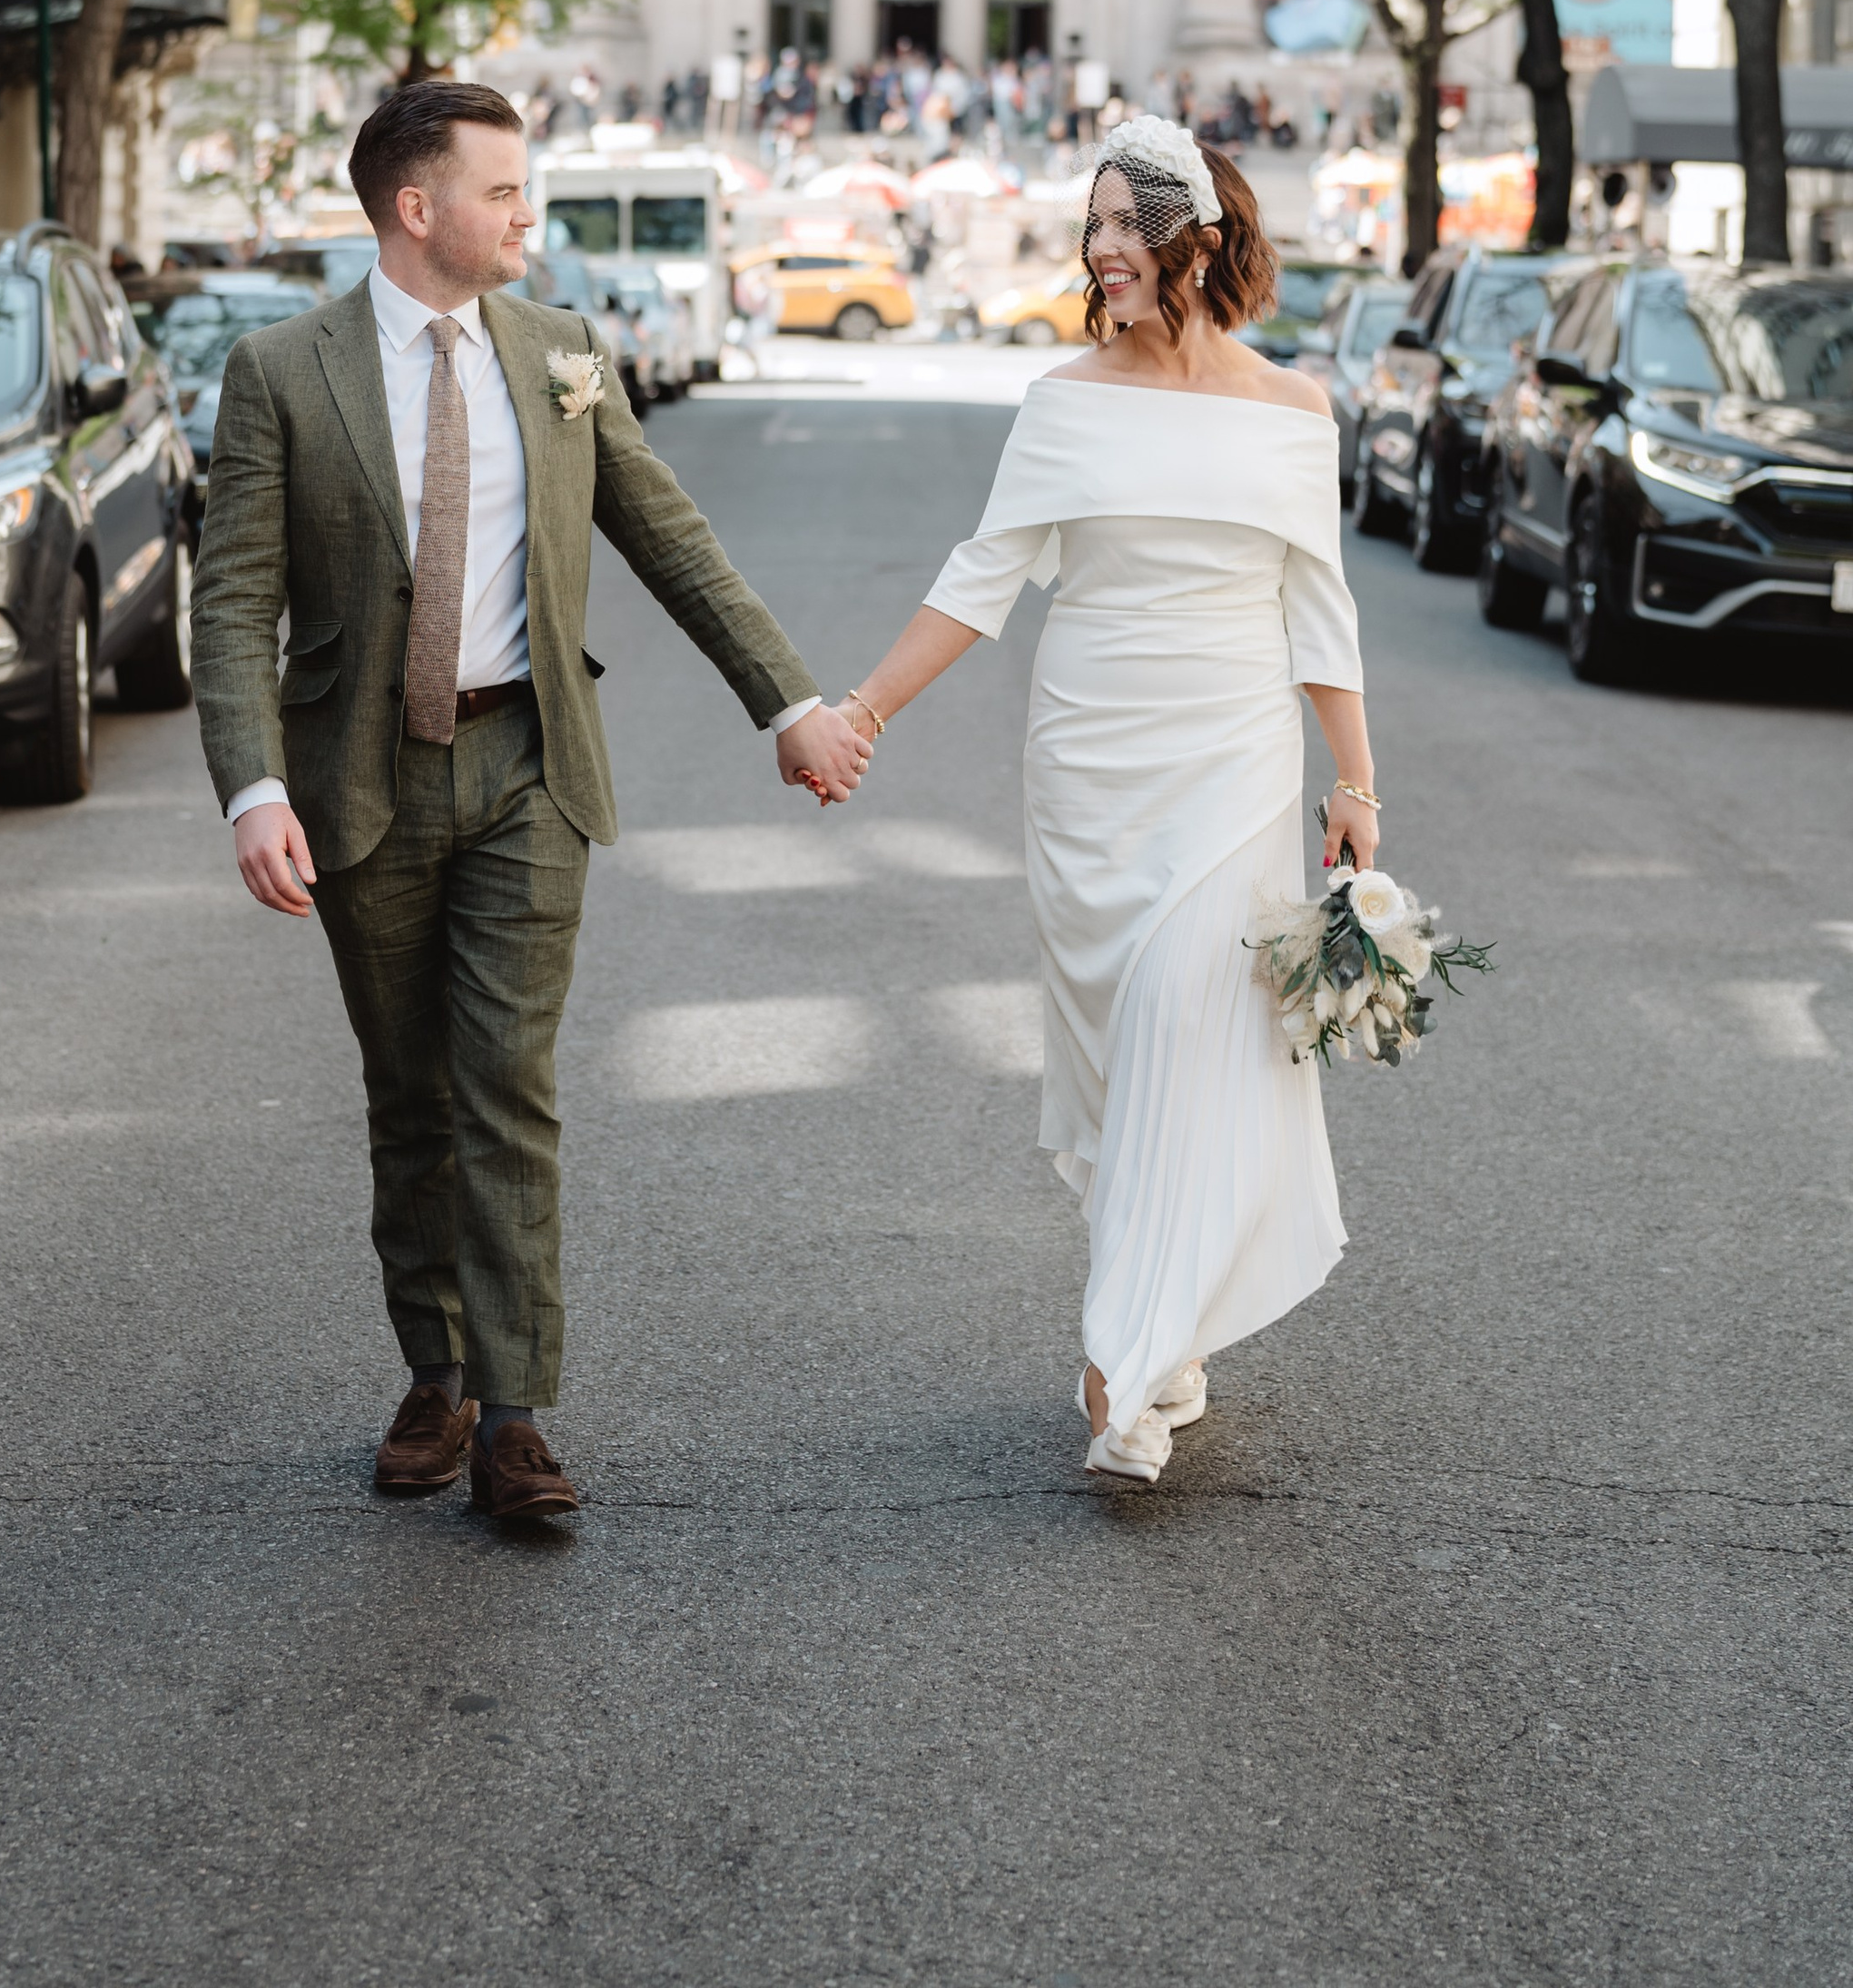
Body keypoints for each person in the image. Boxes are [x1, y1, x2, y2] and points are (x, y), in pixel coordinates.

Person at [189, 81, 871, 1523]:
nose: (526, 215)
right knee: (412, 1097)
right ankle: (429, 1378)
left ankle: (513, 1414)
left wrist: (791, 702)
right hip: (359, 784)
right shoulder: (282, 372)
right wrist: (252, 786)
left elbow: (669, 535)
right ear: (415, 209)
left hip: (527, 771)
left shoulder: (563, 354)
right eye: (501, 192)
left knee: (509, 1088)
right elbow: (235, 596)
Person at [823, 116, 1375, 1487]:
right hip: (1089, 761)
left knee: (1195, 1023)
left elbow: (1323, 614)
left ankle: (1126, 1366)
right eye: (1094, 226)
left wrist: (1356, 780)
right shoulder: (1065, 403)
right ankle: (1165, 1321)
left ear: (1202, 234)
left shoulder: (1298, 412)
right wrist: (865, 711)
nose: (1103, 249)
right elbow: (980, 578)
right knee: (1126, 1050)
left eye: (1129, 224)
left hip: (1237, 761)